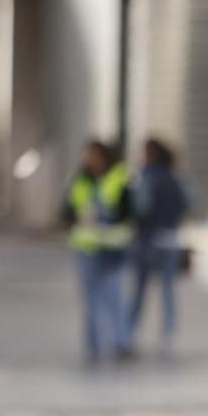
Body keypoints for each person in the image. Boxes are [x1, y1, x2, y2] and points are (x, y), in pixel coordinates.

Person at [60, 139, 133, 362]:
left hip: (111, 248)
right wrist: (78, 219)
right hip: (86, 249)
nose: (89, 160)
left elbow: (129, 210)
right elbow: (66, 211)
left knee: (114, 297)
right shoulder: (81, 180)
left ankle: (121, 343)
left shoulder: (119, 177)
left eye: (92, 155)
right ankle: (93, 346)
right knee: (91, 300)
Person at [127, 138, 193, 353]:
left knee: (140, 290)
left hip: (149, 239)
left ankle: (130, 332)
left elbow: (141, 208)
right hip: (171, 239)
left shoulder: (148, 177)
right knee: (167, 290)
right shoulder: (176, 178)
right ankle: (167, 335)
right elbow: (189, 202)